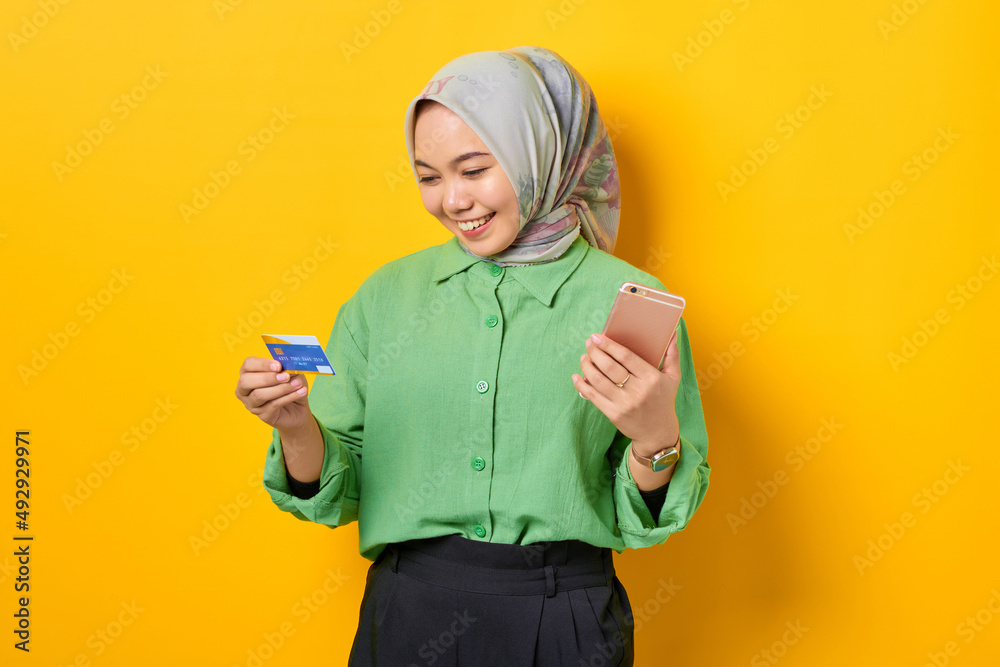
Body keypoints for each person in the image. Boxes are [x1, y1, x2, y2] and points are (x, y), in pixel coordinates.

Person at [235, 46, 710, 666]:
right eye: (429, 177)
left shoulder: (627, 302)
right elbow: (338, 494)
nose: (453, 201)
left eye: (475, 169)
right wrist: (296, 428)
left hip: (564, 618)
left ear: (539, 154)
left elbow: (643, 518)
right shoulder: (385, 297)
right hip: (407, 615)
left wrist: (655, 439)